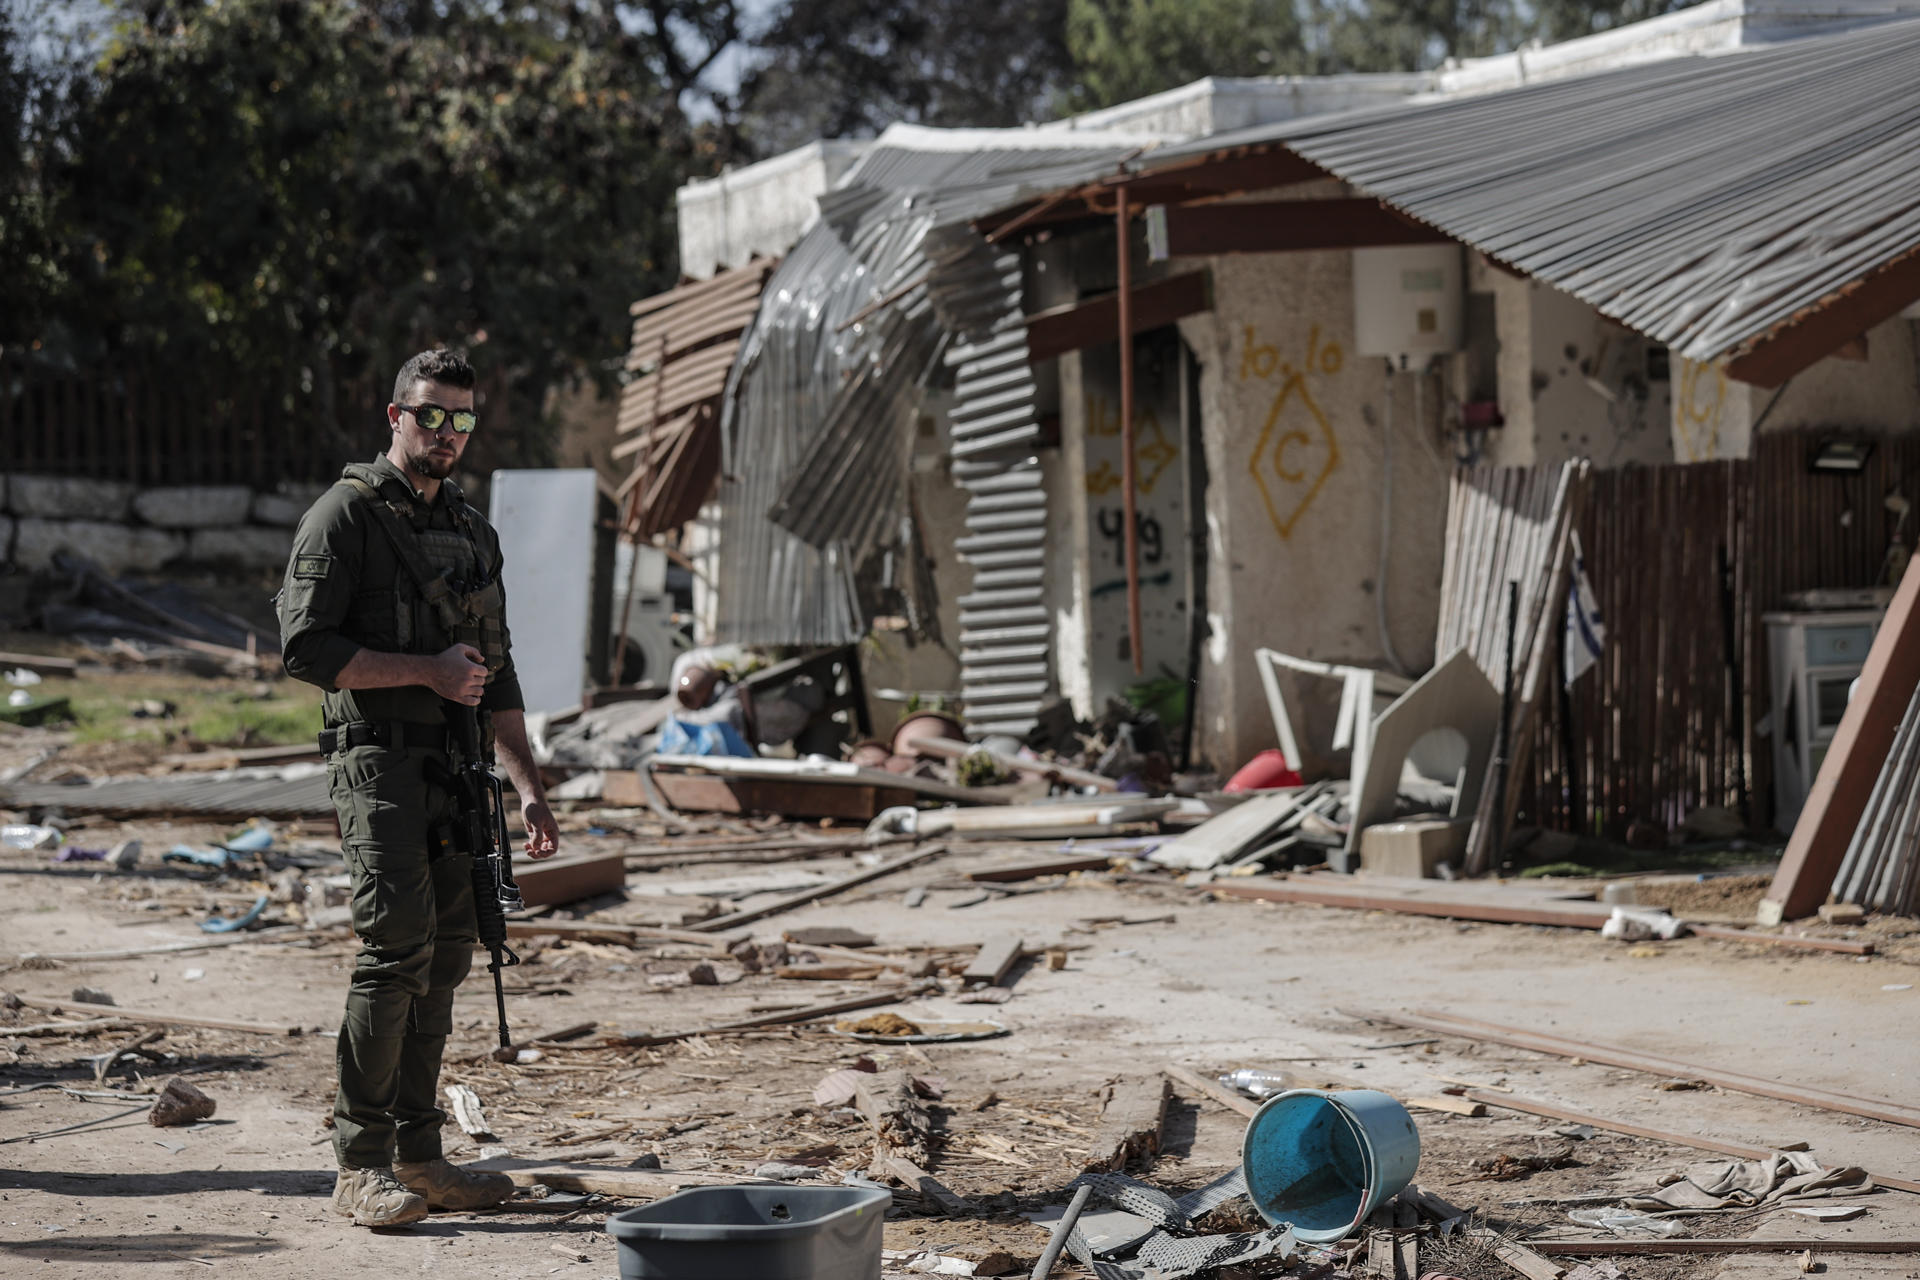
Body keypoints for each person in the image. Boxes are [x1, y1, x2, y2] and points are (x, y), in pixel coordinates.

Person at [278, 349, 560, 1228]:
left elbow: (497, 670)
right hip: (380, 763)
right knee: (392, 951)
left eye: (461, 421)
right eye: (430, 415)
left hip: (459, 766)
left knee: (444, 957)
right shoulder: (344, 518)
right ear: (393, 415)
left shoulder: (474, 533)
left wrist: (529, 787)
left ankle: (420, 1153)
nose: (445, 435)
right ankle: (358, 1163)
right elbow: (304, 649)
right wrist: (425, 672)